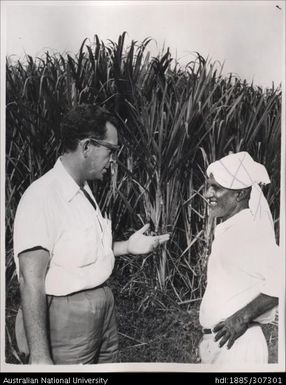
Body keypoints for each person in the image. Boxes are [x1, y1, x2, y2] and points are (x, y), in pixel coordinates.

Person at [13, 104, 170, 365]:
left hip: (102, 313)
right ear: (87, 146)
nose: (113, 159)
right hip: (68, 320)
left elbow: (82, 251)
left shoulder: (84, 189)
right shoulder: (42, 197)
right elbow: (31, 281)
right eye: (111, 150)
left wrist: (128, 247)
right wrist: (40, 357)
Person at [199, 151, 282, 364]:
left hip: (240, 346)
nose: (208, 194)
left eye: (216, 187)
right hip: (223, 344)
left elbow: (281, 279)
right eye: (208, 186)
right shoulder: (230, 229)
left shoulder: (250, 230)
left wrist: (241, 317)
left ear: (240, 194)